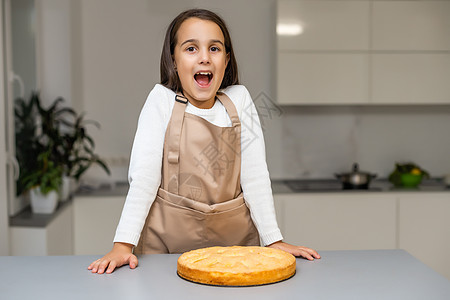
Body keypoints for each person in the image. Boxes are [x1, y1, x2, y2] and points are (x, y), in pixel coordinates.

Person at [88, 8, 320, 274]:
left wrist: (274, 240)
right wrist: (123, 245)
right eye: (191, 49)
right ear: (173, 59)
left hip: (235, 254)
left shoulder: (240, 100)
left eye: (214, 48)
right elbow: (143, 179)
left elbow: (255, 177)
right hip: (164, 253)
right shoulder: (160, 101)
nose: (204, 58)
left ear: (227, 59)